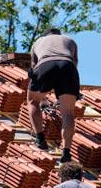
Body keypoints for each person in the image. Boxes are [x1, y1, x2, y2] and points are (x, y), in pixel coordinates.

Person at [28, 27, 80, 163]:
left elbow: (34, 68)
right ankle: (66, 152)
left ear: (46, 35)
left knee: (32, 101)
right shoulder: (69, 40)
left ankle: (40, 139)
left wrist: (42, 98)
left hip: (45, 65)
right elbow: (74, 64)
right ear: (59, 34)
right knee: (68, 112)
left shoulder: (38, 42)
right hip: (68, 67)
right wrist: (68, 93)